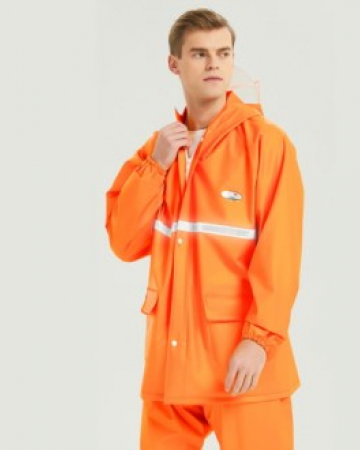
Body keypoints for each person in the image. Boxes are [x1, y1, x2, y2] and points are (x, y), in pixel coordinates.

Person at [105, 7, 305, 450]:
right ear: (174, 63)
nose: (214, 64)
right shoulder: (158, 150)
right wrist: (156, 167)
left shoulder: (266, 144)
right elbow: (124, 242)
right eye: (199, 54)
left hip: (243, 367)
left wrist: (259, 341)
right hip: (170, 370)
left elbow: (281, 253)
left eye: (223, 53)